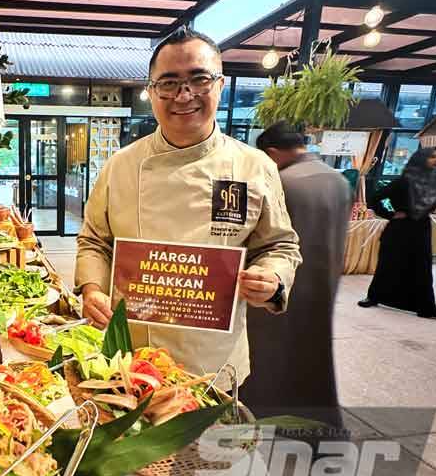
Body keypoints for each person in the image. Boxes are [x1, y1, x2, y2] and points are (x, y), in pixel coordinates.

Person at [75, 28, 302, 382]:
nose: (184, 95)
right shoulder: (120, 166)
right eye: (168, 83)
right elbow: (94, 241)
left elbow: (279, 245)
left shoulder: (254, 166)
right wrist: (91, 289)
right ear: (151, 93)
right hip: (128, 355)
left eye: (199, 79)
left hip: (214, 360)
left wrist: (273, 277)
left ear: (221, 85)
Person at [245, 122, 352, 429]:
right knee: (313, 353)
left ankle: (266, 414)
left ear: (272, 153)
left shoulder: (283, 182)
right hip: (323, 283)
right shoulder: (338, 180)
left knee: (270, 355)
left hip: (280, 286)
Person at [358, 147, 436, 319]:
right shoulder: (404, 181)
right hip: (400, 227)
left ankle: (426, 307)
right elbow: (375, 198)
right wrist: (391, 214)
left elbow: (432, 203)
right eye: (432, 157)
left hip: (421, 227)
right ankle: (374, 297)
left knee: (422, 267)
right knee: (387, 263)